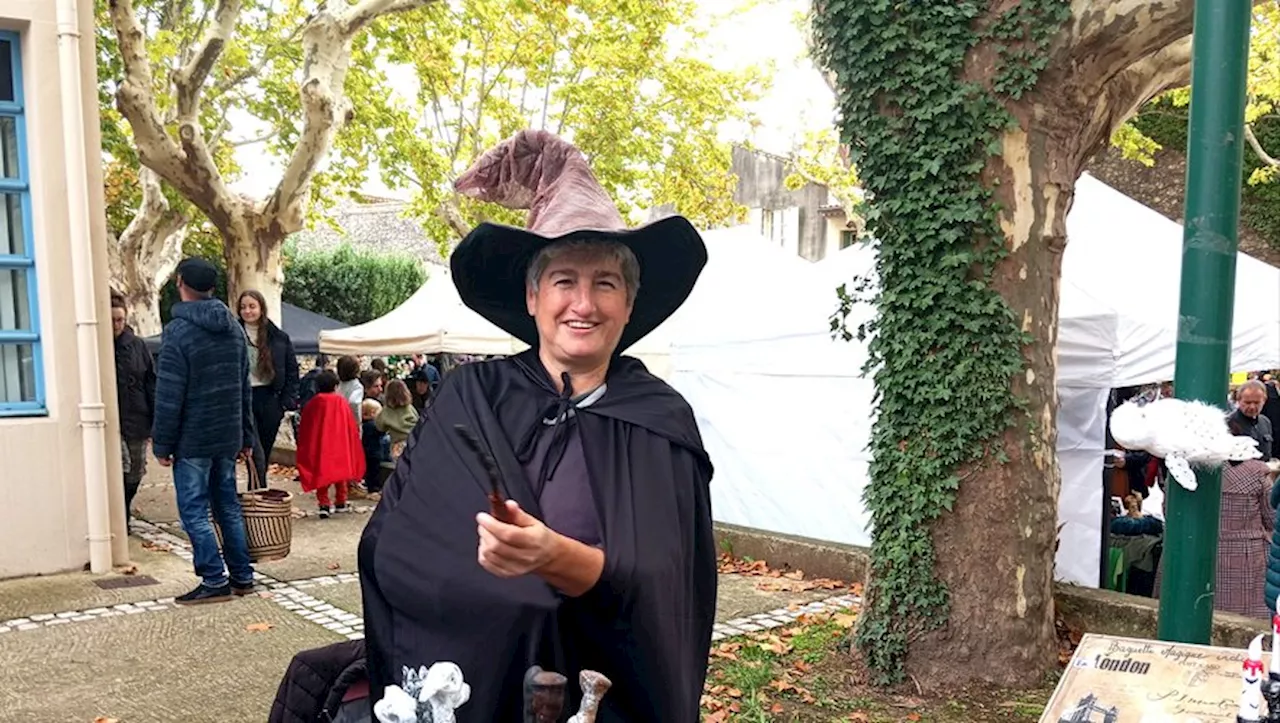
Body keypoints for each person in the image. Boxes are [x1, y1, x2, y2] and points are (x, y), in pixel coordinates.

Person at [360, 130, 715, 722]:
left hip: (604, 689)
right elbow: (392, 541)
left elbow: (669, 583)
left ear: (629, 305)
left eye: (606, 283)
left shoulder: (660, 417)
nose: (584, 303)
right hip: (472, 679)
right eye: (564, 281)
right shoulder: (470, 396)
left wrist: (554, 558)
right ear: (531, 296)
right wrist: (505, 596)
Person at [151, 258, 256, 605]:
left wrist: (162, 444)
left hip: (192, 437)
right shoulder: (235, 329)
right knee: (227, 506)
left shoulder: (178, 332)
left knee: (194, 510)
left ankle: (214, 579)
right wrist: (246, 437)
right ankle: (242, 576)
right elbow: (244, 388)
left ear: (180, 282)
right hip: (226, 434)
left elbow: (169, 394)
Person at [237, 289, 300, 487]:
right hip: (243, 399)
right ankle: (261, 494)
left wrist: (286, 401)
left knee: (264, 449)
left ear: (261, 308)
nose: (248, 311)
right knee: (256, 454)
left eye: (252, 306)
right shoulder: (232, 335)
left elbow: (292, 370)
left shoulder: (279, 337)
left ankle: (255, 498)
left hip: (270, 399)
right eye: (243, 307)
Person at [110, 294, 156, 527]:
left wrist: (155, 418)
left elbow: (150, 382)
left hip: (137, 416)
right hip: (112, 419)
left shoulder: (137, 345)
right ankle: (119, 515)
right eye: (111, 320)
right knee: (121, 465)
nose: (116, 326)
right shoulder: (97, 345)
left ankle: (124, 507)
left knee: (136, 471)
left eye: (119, 320)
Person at [296, 369, 364, 519]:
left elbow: (307, 425)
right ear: (335, 385)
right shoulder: (340, 401)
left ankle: (324, 503)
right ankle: (341, 501)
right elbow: (349, 423)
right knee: (341, 472)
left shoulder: (314, 403)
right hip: (339, 442)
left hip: (322, 443)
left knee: (322, 472)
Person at [1218, 459, 1275, 618]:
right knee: (1248, 617)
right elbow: (1272, 517)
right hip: (1246, 555)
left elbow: (1169, 511)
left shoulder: (1186, 468)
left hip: (1194, 550)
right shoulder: (1257, 472)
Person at [1232, 380, 1274, 462]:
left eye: (1257, 403)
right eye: (1247, 402)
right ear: (1238, 400)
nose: (1252, 407)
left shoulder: (1265, 422)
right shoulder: (1229, 423)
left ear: (1264, 401)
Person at [336, 355, 363, 426]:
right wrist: (357, 422)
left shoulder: (338, 385)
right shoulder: (357, 386)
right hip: (351, 422)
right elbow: (354, 403)